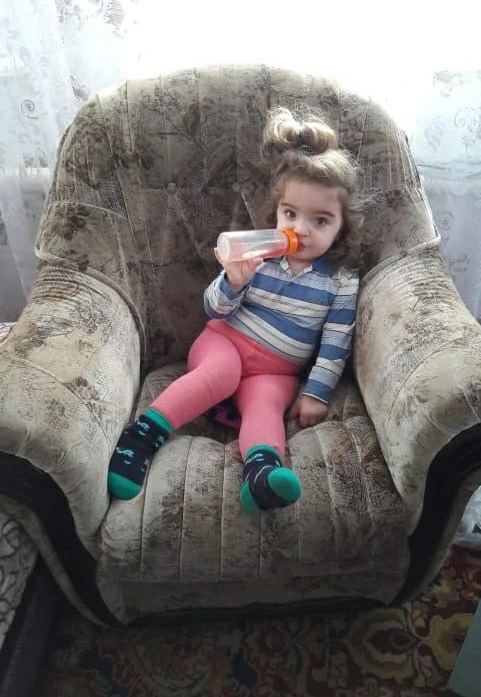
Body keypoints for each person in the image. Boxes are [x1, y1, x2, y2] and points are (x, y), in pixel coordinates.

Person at [107, 106, 363, 513]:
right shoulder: (258, 255)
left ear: (341, 227)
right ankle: (142, 436)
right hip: (224, 343)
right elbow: (214, 310)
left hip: (276, 370)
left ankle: (262, 473)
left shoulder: (341, 282)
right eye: (290, 214)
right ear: (276, 212)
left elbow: (336, 344)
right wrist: (234, 281)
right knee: (222, 372)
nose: (300, 229)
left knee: (267, 404)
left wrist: (316, 392)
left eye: (320, 220)